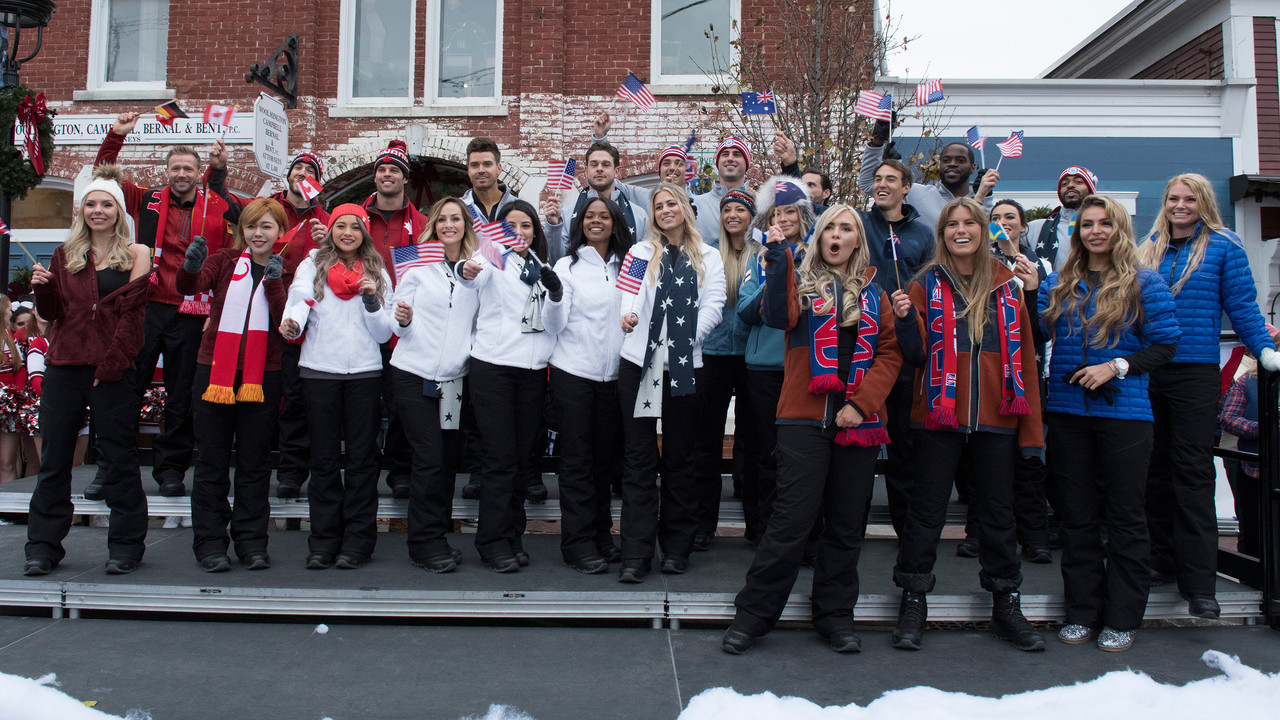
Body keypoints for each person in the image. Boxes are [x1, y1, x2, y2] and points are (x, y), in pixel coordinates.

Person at [722, 204, 902, 655]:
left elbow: (889, 355)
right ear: (819, 238)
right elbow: (775, 316)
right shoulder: (798, 286)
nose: (837, 235)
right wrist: (778, 258)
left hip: (859, 423)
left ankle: (835, 616)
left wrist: (861, 405)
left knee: (846, 524)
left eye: (846, 228)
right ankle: (753, 615)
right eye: (829, 228)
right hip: (803, 419)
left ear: (857, 240)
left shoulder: (875, 294)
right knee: (790, 522)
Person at [889, 198, 1044, 652]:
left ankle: (1006, 603)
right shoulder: (924, 283)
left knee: (997, 514)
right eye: (952, 224)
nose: (961, 230)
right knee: (926, 512)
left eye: (970, 223)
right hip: (939, 416)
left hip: (998, 416)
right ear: (942, 233)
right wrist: (904, 321)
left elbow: (1028, 357)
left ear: (983, 229)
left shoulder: (1009, 284)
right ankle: (913, 600)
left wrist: (1032, 433)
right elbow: (915, 355)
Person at [1040, 194, 1180, 651]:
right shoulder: (1060, 282)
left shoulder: (1145, 282)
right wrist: (1028, 288)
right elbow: (1035, 329)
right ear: (1077, 232)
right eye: (1087, 224)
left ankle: (1122, 617)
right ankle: (1081, 611)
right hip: (1067, 413)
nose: (1095, 231)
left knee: (1125, 517)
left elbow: (1165, 346)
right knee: (1076, 517)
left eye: (1104, 223)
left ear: (1120, 229)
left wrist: (1116, 366)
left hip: (1125, 416)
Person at [1137, 173, 1279, 619]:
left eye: (1190, 199)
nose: (1180, 206)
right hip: (1148, 370)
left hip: (1194, 373)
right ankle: (1160, 560)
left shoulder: (1223, 246)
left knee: (1192, 472)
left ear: (1204, 203)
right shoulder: (1147, 248)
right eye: (1173, 198)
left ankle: (1199, 584)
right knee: (1153, 469)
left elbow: (1243, 307)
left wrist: (1266, 351)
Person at [94, 111, 240, 498]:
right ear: (167, 171)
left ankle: (171, 469)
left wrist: (220, 171)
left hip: (192, 311)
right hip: (145, 306)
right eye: (175, 168)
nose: (181, 174)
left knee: (182, 395)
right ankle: (110, 467)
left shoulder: (216, 206)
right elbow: (103, 178)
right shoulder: (147, 199)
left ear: (198, 171)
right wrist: (116, 135)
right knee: (127, 385)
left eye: (188, 168)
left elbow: (234, 252)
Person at [24, 164, 151, 576]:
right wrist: (43, 289)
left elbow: (133, 316)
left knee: (118, 458)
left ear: (119, 211)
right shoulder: (64, 255)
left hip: (112, 367)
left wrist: (111, 364)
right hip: (64, 365)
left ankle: (126, 546)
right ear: (82, 211)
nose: (98, 210)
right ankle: (42, 547)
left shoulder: (137, 253)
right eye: (91, 204)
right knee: (55, 459)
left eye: (106, 204)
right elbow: (53, 314)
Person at [616, 183, 726, 583]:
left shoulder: (709, 256)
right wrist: (629, 316)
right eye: (658, 205)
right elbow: (628, 296)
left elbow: (715, 304)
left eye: (671, 203)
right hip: (640, 365)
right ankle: (636, 552)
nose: (665, 210)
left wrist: (686, 338)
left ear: (684, 208)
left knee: (681, 458)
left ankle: (678, 548)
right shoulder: (638, 253)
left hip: (685, 365)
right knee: (639, 459)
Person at [280, 204, 394, 570]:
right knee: (324, 461)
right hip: (319, 372)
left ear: (364, 233)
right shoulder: (312, 263)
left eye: (355, 227)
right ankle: (323, 543)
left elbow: (384, 333)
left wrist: (372, 300)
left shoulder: (377, 271)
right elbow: (300, 299)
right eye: (340, 226)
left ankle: (357, 543)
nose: (347, 233)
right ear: (330, 231)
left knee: (362, 461)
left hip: (364, 374)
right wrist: (293, 322)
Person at [178, 198, 289, 572]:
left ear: (280, 231)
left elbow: (287, 323)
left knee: (255, 461)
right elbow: (190, 285)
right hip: (214, 372)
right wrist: (191, 265)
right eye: (251, 226)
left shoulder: (287, 269)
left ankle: (252, 543)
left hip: (263, 375)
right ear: (242, 230)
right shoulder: (224, 260)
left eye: (266, 226)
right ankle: (210, 543)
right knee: (211, 461)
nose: (258, 233)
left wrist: (275, 283)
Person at [456, 199, 556, 572]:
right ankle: (492, 541)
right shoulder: (491, 258)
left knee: (521, 458)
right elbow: (472, 273)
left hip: (532, 371)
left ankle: (512, 535)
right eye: (510, 226)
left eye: (526, 225)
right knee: (499, 459)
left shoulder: (542, 267)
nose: (519, 232)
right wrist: (467, 268)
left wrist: (556, 294)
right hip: (494, 368)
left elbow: (553, 319)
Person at [389, 197, 480, 574]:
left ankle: (438, 535)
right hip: (414, 373)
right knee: (427, 458)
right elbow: (396, 323)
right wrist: (403, 319)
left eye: (455, 218)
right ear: (433, 226)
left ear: (465, 225)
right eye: (441, 219)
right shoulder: (416, 265)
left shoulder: (478, 270)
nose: (448, 225)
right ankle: (423, 543)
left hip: (454, 379)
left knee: (445, 460)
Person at [543, 196, 632, 572]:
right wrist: (555, 296)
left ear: (616, 223)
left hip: (614, 377)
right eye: (590, 216)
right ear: (580, 224)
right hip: (574, 375)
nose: (597, 221)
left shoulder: (630, 263)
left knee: (604, 463)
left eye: (604, 216)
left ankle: (600, 534)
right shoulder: (567, 266)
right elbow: (554, 324)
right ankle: (577, 543)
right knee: (578, 462)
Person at [858, 157, 934, 540]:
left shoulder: (923, 234)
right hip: (861, 347)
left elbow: (932, 290)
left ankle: (907, 534)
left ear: (906, 188)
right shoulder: (858, 224)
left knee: (903, 446)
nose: (882, 184)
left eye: (891, 179)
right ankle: (849, 527)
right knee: (857, 441)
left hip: (904, 351)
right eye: (877, 178)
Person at [692, 190, 762, 550]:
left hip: (752, 355)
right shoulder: (707, 251)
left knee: (754, 440)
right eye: (727, 210)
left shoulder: (762, 254)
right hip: (714, 353)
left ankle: (757, 523)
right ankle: (702, 524)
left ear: (753, 216)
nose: (733, 215)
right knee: (706, 439)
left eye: (740, 210)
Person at [359, 139, 428, 498]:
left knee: (401, 402)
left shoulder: (423, 224)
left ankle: (401, 470)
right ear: (375, 177)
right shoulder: (354, 219)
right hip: (361, 322)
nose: (388, 174)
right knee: (365, 401)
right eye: (382, 169)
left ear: (405, 179)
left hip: (405, 325)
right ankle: (364, 466)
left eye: (395, 170)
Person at [988, 199, 1053, 563]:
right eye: (995, 218)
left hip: (1028, 371)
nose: (1002, 223)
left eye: (1009, 217)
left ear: (1023, 226)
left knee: (1030, 457)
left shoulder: (1040, 264)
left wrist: (1031, 288)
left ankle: (1035, 536)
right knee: (988, 457)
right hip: (990, 372)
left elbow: (1043, 326)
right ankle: (980, 533)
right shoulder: (982, 263)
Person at [859, 120, 997, 232]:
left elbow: (989, 237)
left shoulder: (982, 201)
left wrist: (986, 196)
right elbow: (867, 184)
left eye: (960, 160)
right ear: (939, 164)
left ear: (973, 167)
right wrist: (877, 144)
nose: (952, 164)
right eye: (946, 160)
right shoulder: (916, 193)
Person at [1218, 332, 1279, 559]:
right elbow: (1227, 418)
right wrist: (1264, 427)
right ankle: (1252, 573)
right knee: (1252, 528)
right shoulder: (1247, 381)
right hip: (1254, 468)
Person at [543, 137, 650, 261]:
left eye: (606, 164)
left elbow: (646, 258)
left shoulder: (639, 215)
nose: (599, 168)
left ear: (616, 171)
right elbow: (557, 261)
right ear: (586, 171)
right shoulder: (567, 215)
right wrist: (554, 227)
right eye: (594, 164)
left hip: (625, 273)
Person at [1028, 166, 1097, 270]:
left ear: (1091, 190)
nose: (1070, 185)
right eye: (1064, 184)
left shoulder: (1104, 226)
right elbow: (1006, 246)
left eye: (1078, 182)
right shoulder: (1035, 228)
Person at [691, 137, 755, 244]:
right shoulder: (696, 204)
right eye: (725, 154)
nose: (730, 158)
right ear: (718, 162)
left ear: (747, 163)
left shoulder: (758, 206)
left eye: (737, 154)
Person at [14, 307, 48, 477]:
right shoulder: (23, 336)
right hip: (33, 403)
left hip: (62, 399)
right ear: (34, 310)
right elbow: (20, 368)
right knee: (36, 461)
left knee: (74, 463)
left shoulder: (63, 334)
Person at [460, 137, 519, 222]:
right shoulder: (458, 209)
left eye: (487, 164)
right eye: (474, 165)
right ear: (468, 170)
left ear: (499, 168)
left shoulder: (519, 208)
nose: (481, 170)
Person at [0, 294, 25, 484]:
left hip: (9, 406)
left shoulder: (8, 336)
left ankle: (8, 501)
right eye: (9, 309)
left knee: (7, 462)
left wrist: (16, 392)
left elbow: (20, 368)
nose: (12, 312)